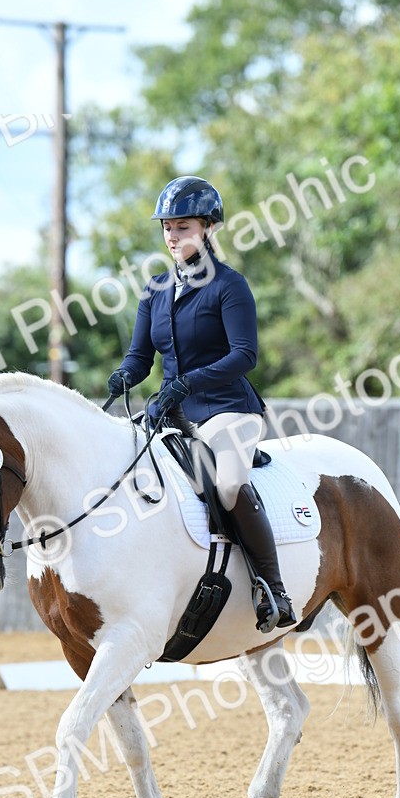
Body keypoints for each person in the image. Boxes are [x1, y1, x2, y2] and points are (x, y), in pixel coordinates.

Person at [107, 175, 296, 631]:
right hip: (169, 410)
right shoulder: (154, 290)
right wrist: (122, 377)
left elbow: (244, 355)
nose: (173, 236)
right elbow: (140, 357)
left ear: (209, 227)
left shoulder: (230, 286)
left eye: (184, 226)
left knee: (228, 484)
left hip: (227, 409)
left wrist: (187, 382)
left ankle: (274, 588)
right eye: (168, 227)